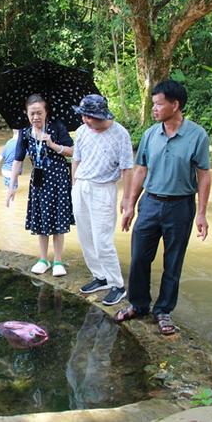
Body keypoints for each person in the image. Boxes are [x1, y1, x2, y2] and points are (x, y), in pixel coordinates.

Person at [116, 80, 211, 336]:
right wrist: (130, 205)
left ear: (175, 104)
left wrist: (201, 213)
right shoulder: (150, 134)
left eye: (159, 104)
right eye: (154, 103)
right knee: (138, 258)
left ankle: (163, 310)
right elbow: (140, 169)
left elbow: (204, 175)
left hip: (180, 207)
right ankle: (138, 304)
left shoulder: (197, 135)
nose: (154, 109)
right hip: (150, 203)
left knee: (173, 262)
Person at [71, 94, 133, 306]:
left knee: (102, 241)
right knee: (85, 236)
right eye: (83, 116)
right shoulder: (81, 131)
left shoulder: (120, 134)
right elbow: (76, 159)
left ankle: (118, 285)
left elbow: (126, 168)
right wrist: (74, 185)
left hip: (103, 189)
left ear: (100, 115)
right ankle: (100, 276)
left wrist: (127, 199)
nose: (84, 120)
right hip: (81, 186)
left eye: (88, 116)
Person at [6, 94, 74, 277]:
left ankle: (58, 260)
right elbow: (18, 160)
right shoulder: (25, 132)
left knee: (59, 221)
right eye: (32, 113)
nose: (36, 117)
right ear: (27, 114)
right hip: (39, 181)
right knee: (42, 221)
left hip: (59, 179)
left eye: (39, 113)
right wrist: (11, 187)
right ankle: (43, 259)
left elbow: (72, 151)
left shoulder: (57, 126)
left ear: (46, 112)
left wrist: (52, 144)